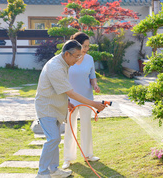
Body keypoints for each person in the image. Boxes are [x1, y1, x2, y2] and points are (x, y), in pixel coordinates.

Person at [35, 40, 106, 178]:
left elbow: (58, 87)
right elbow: (71, 92)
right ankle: (42, 173)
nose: (79, 59)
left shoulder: (64, 63)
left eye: (80, 55)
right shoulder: (55, 67)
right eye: (77, 56)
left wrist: (67, 102)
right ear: (67, 54)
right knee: (53, 139)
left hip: (55, 106)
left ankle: (54, 170)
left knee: (54, 139)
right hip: (47, 107)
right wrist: (94, 104)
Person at [62, 32, 100, 169]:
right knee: (69, 128)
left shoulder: (89, 59)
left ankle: (88, 155)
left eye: (88, 46)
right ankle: (68, 158)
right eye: (84, 46)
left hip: (86, 97)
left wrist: (95, 84)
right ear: (76, 45)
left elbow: (92, 75)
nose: (86, 49)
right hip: (71, 99)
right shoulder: (67, 59)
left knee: (86, 126)